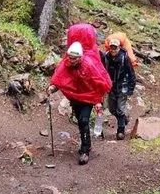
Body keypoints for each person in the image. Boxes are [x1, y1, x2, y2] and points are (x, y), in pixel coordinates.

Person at [46, 36, 112, 165]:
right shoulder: (66, 64)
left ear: (80, 57)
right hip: (75, 98)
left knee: (83, 120)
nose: (71, 60)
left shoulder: (88, 65)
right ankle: (86, 142)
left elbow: (96, 83)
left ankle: (85, 150)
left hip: (88, 99)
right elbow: (62, 79)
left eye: (74, 58)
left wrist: (98, 100)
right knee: (81, 122)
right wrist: (53, 88)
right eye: (70, 57)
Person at [102, 36, 136, 140]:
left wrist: (131, 88)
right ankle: (124, 118)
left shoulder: (124, 58)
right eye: (111, 47)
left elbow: (131, 73)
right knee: (112, 109)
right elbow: (103, 71)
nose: (113, 50)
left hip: (122, 86)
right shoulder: (106, 57)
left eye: (115, 48)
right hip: (111, 86)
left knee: (120, 108)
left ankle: (120, 131)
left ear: (119, 48)